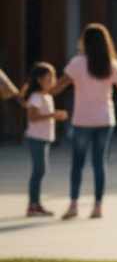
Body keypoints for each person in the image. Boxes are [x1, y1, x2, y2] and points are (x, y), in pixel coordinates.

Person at [52, 23, 117, 221]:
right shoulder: (112, 64)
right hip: (105, 120)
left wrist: (38, 90)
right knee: (99, 164)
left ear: (85, 41)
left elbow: (58, 87)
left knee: (77, 164)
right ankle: (97, 207)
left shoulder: (77, 63)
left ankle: (73, 205)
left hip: (82, 121)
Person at [23, 63, 68, 217]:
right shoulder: (36, 97)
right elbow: (32, 117)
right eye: (49, 78)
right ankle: (33, 205)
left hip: (44, 139)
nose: (53, 80)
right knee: (38, 171)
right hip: (36, 138)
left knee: (40, 171)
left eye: (53, 77)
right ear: (39, 80)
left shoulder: (47, 96)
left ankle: (36, 204)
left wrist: (54, 115)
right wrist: (53, 115)